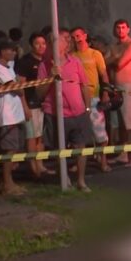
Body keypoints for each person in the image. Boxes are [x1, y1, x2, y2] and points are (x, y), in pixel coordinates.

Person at [38, 29, 94, 192]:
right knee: (58, 148)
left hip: (78, 112)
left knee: (80, 147)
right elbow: (39, 93)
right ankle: (65, 179)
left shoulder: (75, 62)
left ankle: (81, 181)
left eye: (69, 39)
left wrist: (88, 107)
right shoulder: (44, 65)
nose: (69, 42)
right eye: (64, 39)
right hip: (56, 114)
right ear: (54, 43)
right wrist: (50, 76)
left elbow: (84, 86)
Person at [0, 38, 28, 196]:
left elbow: (18, 85)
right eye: (11, 50)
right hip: (6, 114)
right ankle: (7, 184)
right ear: (2, 51)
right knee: (9, 150)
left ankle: (9, 181)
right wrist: (19, 84)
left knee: (15, 149)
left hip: (15, 112)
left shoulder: (8, 65)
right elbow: (16, 88)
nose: (14, 53)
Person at [72, 26, 112, 172]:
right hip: (77, 99)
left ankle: (103, 162)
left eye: (78, 35)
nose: (76, 38)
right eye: (73, 36)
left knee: (100, 132)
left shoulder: (95, 54)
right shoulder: (72, 56)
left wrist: (106, 93)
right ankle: (79, 163)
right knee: (79, 132)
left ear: (85, 35)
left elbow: (104, 75)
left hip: (94, 98)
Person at [105, 19, 131, 166]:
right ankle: (124, 153)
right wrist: (114, 57)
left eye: (123, 27)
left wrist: (113, 57)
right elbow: (104, 62)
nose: (120, 30)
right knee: (121, 123)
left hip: (129, 86)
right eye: (118, 28)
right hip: (116, 86)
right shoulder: (114, 46)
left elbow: (120, 63)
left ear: (128, 29)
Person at [15, 32, 52, 178]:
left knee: (40, 136)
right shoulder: (25, 62)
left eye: (43, 43)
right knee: (31, 137)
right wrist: (24, 106)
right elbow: (20, 86)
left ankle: (40, 165)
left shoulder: (47, 61)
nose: (41, 46)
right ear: (31, 45)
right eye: (37, 43)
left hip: (42, 105)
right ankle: (33, 168)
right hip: (30, 105)